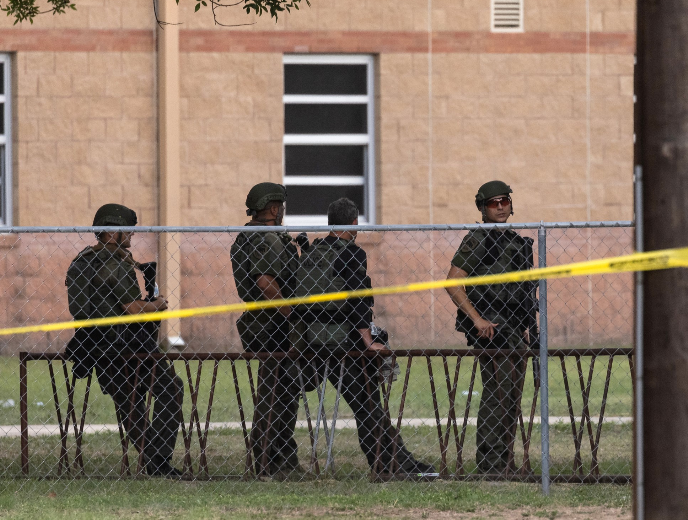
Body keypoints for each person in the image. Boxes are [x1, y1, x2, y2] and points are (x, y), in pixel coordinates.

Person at [294, 197, 435, 477]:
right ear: (355, 222)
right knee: (367, 404)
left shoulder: (312, 252)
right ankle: (391, 463)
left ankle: (392, 460)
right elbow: (357, 302)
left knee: (365, 404)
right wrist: (368, 339)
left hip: (310, 341)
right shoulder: (352, 253)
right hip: (342, 344)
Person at [65, 203, 184, 477]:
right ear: (112, 232)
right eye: (127, 230)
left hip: (93, 347)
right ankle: (160, 461)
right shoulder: (115, 264)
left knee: (128, 403)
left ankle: (155, 463)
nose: (131, 235)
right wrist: (157, 305)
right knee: (171, 389)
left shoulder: (81, 261)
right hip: (127, 347)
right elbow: (132, 308)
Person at [445, 181, 534, 475]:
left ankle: (504, 461)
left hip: (513, 328)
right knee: (498, 395)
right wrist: (476, 319)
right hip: (492, 328)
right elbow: (453, 281)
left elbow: (521, 290)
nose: (500, 207)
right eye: (493, 203)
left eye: (504, 201)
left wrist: (525, 325)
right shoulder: (480, 239)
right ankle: (490, 464)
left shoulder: (514, 240)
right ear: (482, 208)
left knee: (511, 398)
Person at [230, 182, 303, 479]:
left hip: (264, 323)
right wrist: (292, 313)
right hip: (273, 324)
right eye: (281, 207)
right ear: (273, 208)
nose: (283, 213)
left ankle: (278, 458)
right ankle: (268, 461)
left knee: (281, 390)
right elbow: (265, 282)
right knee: (278, 393)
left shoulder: (249, 236)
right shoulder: (268, 238)